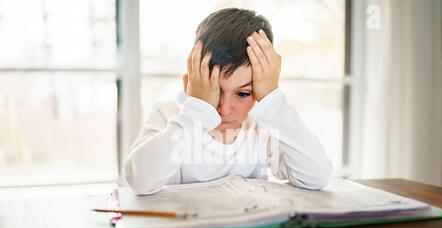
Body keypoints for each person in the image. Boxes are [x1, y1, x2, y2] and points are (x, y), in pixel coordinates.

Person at [124, 8, 333, 195]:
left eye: (243, 94)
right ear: (190, 84)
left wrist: (273, 99)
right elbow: (140, 182)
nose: (224, 109)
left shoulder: (261, 129)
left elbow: (316, 177)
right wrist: (197, 109)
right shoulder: (168, 116)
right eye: (213, 91)